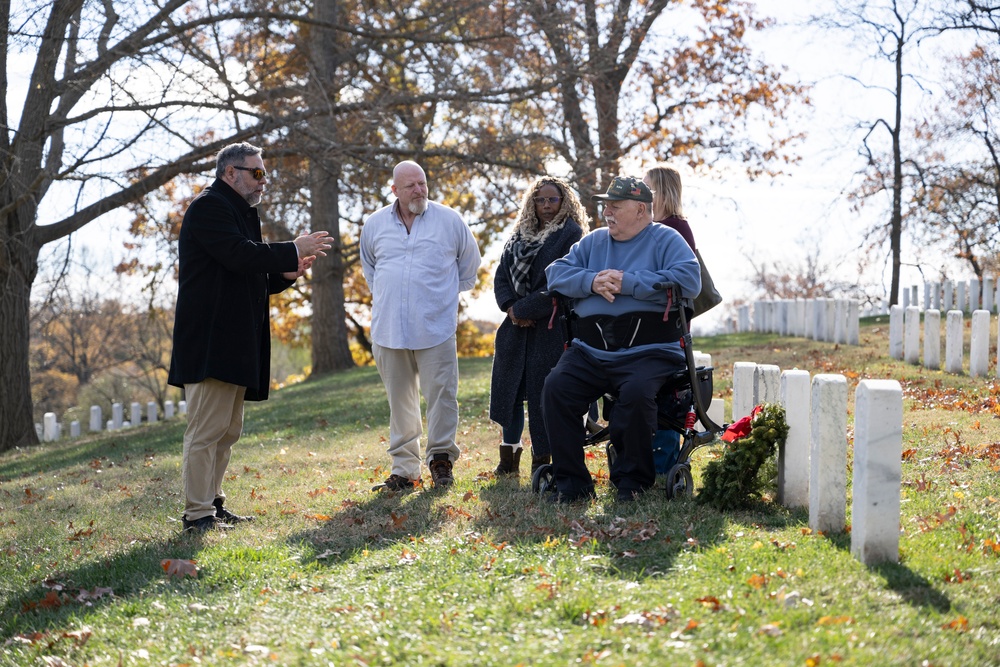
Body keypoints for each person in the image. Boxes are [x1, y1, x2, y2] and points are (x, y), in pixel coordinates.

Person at [168, 141, 333, 532]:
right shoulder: (209, 206)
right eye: (256, 173)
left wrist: (283, 275)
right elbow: (240, 255)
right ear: (230, 173)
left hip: (235, 342)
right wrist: (292, 248)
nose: (263, 182)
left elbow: (244, 270)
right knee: (206, 432)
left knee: (227, 432)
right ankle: (197, 515)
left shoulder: (239, 211)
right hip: (210, 342)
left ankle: (213, 503)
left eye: (265, 174)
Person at [540, 176, 701, 503]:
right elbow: (556, 273)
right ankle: (572, 485)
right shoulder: (594, 242)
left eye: (616, 205)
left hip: (650, 350)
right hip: (590, 350)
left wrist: (628, 282)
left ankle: (632, 483)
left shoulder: (665, 240)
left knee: (637, 395)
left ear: (641, 210)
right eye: (605, 204)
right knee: (556, 388)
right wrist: (592, 281)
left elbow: (689, 280)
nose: (607, 211)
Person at [360, 161, 482, 491]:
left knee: (442, 397)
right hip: (388, 330)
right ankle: (404, 470)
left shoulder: (449, 220)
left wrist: (435, 299)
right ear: (394, 190)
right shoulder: (374, 225)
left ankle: (441, 460)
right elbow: (370, 270)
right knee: (400, 402)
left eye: (422, 183)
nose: (419, 190)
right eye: (411, 185)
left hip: (435, 328)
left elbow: (469, 267)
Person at [489, 177, 590, 478]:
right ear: (532, 203)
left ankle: (542, 458)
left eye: (553, 200)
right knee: (510, 394)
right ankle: (509, 459)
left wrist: (524, 308)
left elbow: (561, 285)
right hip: (515, 329)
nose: (546, 206)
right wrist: (511, 308)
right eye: (540, 200)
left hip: (551, 327)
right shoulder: (519, 233)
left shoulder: (572, 235)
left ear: (565, 202)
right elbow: (501, 277)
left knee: (542, 396)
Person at [643, 164, 697, 478]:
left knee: (666, 393)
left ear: (662, 191)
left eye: (648, 188)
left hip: (669, 325)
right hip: (645, 323)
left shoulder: (675, 227)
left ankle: (663, 465)